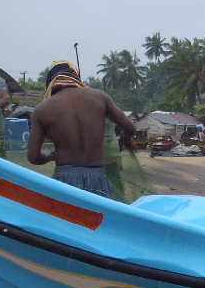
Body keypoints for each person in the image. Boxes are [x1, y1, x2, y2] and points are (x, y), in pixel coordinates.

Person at [27, 60, 137, 199]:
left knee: (66, 219)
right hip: (97, 179)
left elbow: (33, 157)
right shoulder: (99, 97)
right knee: (98, 218)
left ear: (50, 83)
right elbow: (131, 128)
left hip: (64, 179)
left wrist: (52, 155)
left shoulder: (41, 109)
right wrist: (125, 138)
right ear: (76, 77)